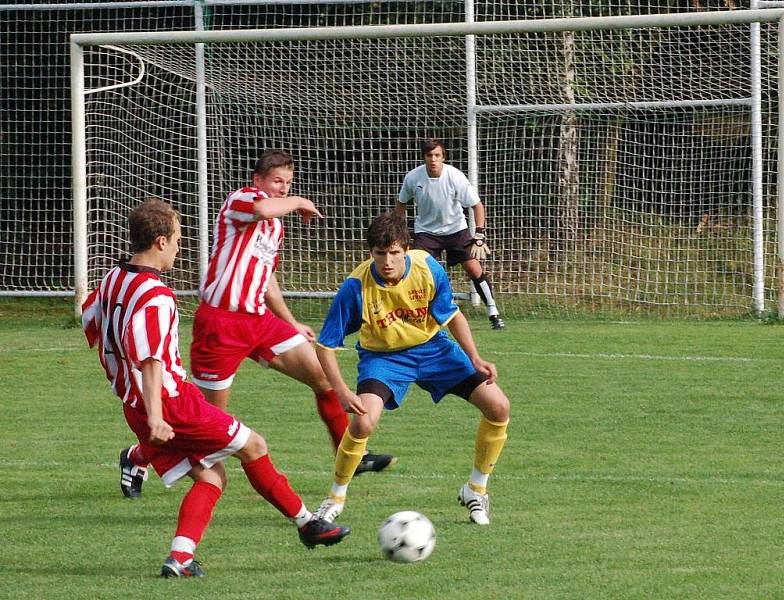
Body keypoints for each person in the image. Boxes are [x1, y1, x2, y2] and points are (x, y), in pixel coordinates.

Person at [83, 198, 350, 577]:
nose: (180, 246)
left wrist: (125, 382)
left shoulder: (113, 279)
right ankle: (308, 524)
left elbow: (90, 323)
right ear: (160, 242)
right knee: (254, 446)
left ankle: (180, 559)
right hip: (169, 403)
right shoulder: (157, 296)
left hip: (134, 406)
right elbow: (151, 358)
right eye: (177, 238)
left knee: (212, 476)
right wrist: (159, 415)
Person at [119, 150, 394, 499]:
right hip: (220, 324)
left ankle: (351, 456)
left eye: (289, 184)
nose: (282, 189)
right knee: (208, 423)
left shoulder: (274, 226)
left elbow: (266, 279)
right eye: (277, 182)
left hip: (258, 322)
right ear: (258, 181)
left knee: (322, 377)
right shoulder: (243, 199)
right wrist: (298, 200)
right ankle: (136, 456)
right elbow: (265, 208)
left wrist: (291, 323)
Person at [313, 211, 510, 526]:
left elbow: (452, 314)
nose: (388, 261)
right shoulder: (355, 287)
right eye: (380, 254)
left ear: (406, 248)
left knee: (499, 406)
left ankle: (476, 490)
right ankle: (334, 498)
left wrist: (474, 357)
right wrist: (342, 390)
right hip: (384, 358)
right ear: (370, 252)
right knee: (363, 423)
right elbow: (325, 345)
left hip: (434, 349)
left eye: (394, 253)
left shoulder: (427, 267)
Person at [395, 138, 505, 330]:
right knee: (418, 272)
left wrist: (479, 236)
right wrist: (398, 231)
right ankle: (416, 315)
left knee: (474, 269)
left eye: (437, 155)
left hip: (456, 230)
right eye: (429, 155)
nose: (433, 159)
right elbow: (401, 204)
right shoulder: (413, 177)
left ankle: (494, 313)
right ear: (424, 157)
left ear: (443, 157)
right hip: (426, 233)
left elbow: (477, 206)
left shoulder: (455, 176)